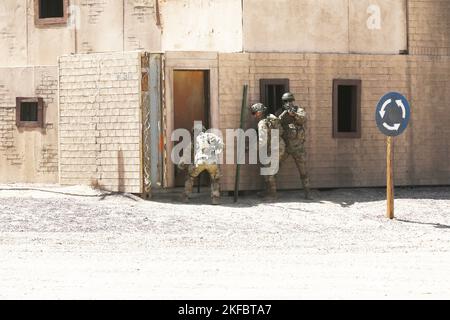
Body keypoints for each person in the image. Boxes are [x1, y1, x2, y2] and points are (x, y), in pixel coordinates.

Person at [178, 125, 224, 205]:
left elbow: (186, 154)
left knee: (190, 176)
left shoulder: (194, 142)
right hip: (212, 163)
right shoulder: (210, 137)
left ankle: (186, 196)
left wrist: (182, 163)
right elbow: (221, 145)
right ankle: (215, 198)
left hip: (199, 163)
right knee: (215, 178)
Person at [278, 92, 312, 200]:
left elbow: (303, 119)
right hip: (285, 147)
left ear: (293, 101)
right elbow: (276, 122)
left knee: (303, 171)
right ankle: (270, 191)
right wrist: (284, 114)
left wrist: (294, 115)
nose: (288, 103)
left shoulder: (299, 110)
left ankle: (307, 193)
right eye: (286, 101)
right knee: (274, 167)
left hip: (298, 147)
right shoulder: (281, 112)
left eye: (290, 101)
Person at [249, 102, 285, 200]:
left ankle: (273, 195)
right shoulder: (270, 119)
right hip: (278, 146)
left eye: (254, 113)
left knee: (269, 171)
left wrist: (252, 148)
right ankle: (268, 191)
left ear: (259, 113)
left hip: (274, 148)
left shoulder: (262, 123)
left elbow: (262, 140)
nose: (253, 115)